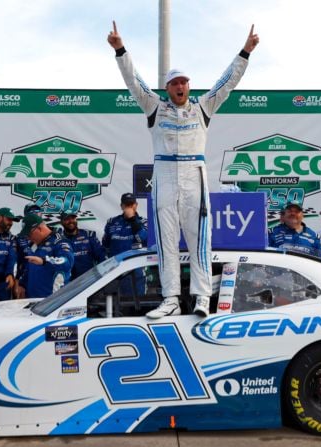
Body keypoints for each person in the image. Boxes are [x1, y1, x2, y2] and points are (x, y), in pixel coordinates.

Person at [107, 21, 259, 319]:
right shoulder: (154, 107)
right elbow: (133, 81)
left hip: (194, 175)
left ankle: (202, 297)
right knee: (166, 241)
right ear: (167, 88)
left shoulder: (203, 107)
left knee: (199, 238)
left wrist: (246, 52)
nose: (180, 87)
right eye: (175, 83)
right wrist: (120, 50)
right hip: (163, 174)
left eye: (184, 82)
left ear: (189, 86)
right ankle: (171, 299)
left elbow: (227, 82)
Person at [18, 213, 74, 298]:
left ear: (39, 228)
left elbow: (67, 262)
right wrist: (22, 284)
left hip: (51, 301)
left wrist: (44, 261)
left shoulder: (60, 242)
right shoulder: (34, 244)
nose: (28, 238)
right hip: (32, 299)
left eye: (29, 234)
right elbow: (30, 266)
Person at [102, 193, 147, 295]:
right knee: (114, 306)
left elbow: (142, 238)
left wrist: (132, 220)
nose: (129, 207)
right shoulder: (112, 222)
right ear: (121, 206)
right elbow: (105, 245)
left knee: (136, 305)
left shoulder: (143, 222)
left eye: (131, 204)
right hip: (115, 273)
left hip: (136, 272)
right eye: (126, 205)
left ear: (136, 205)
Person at [60, 210, 107, 279]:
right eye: (67, 219)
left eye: (73, 218)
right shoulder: (58, 239)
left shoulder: (88, 235)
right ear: (61, 222)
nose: (70, 221)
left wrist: (104, 274)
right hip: (68, 283)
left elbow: (101, 255)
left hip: (90, 279)